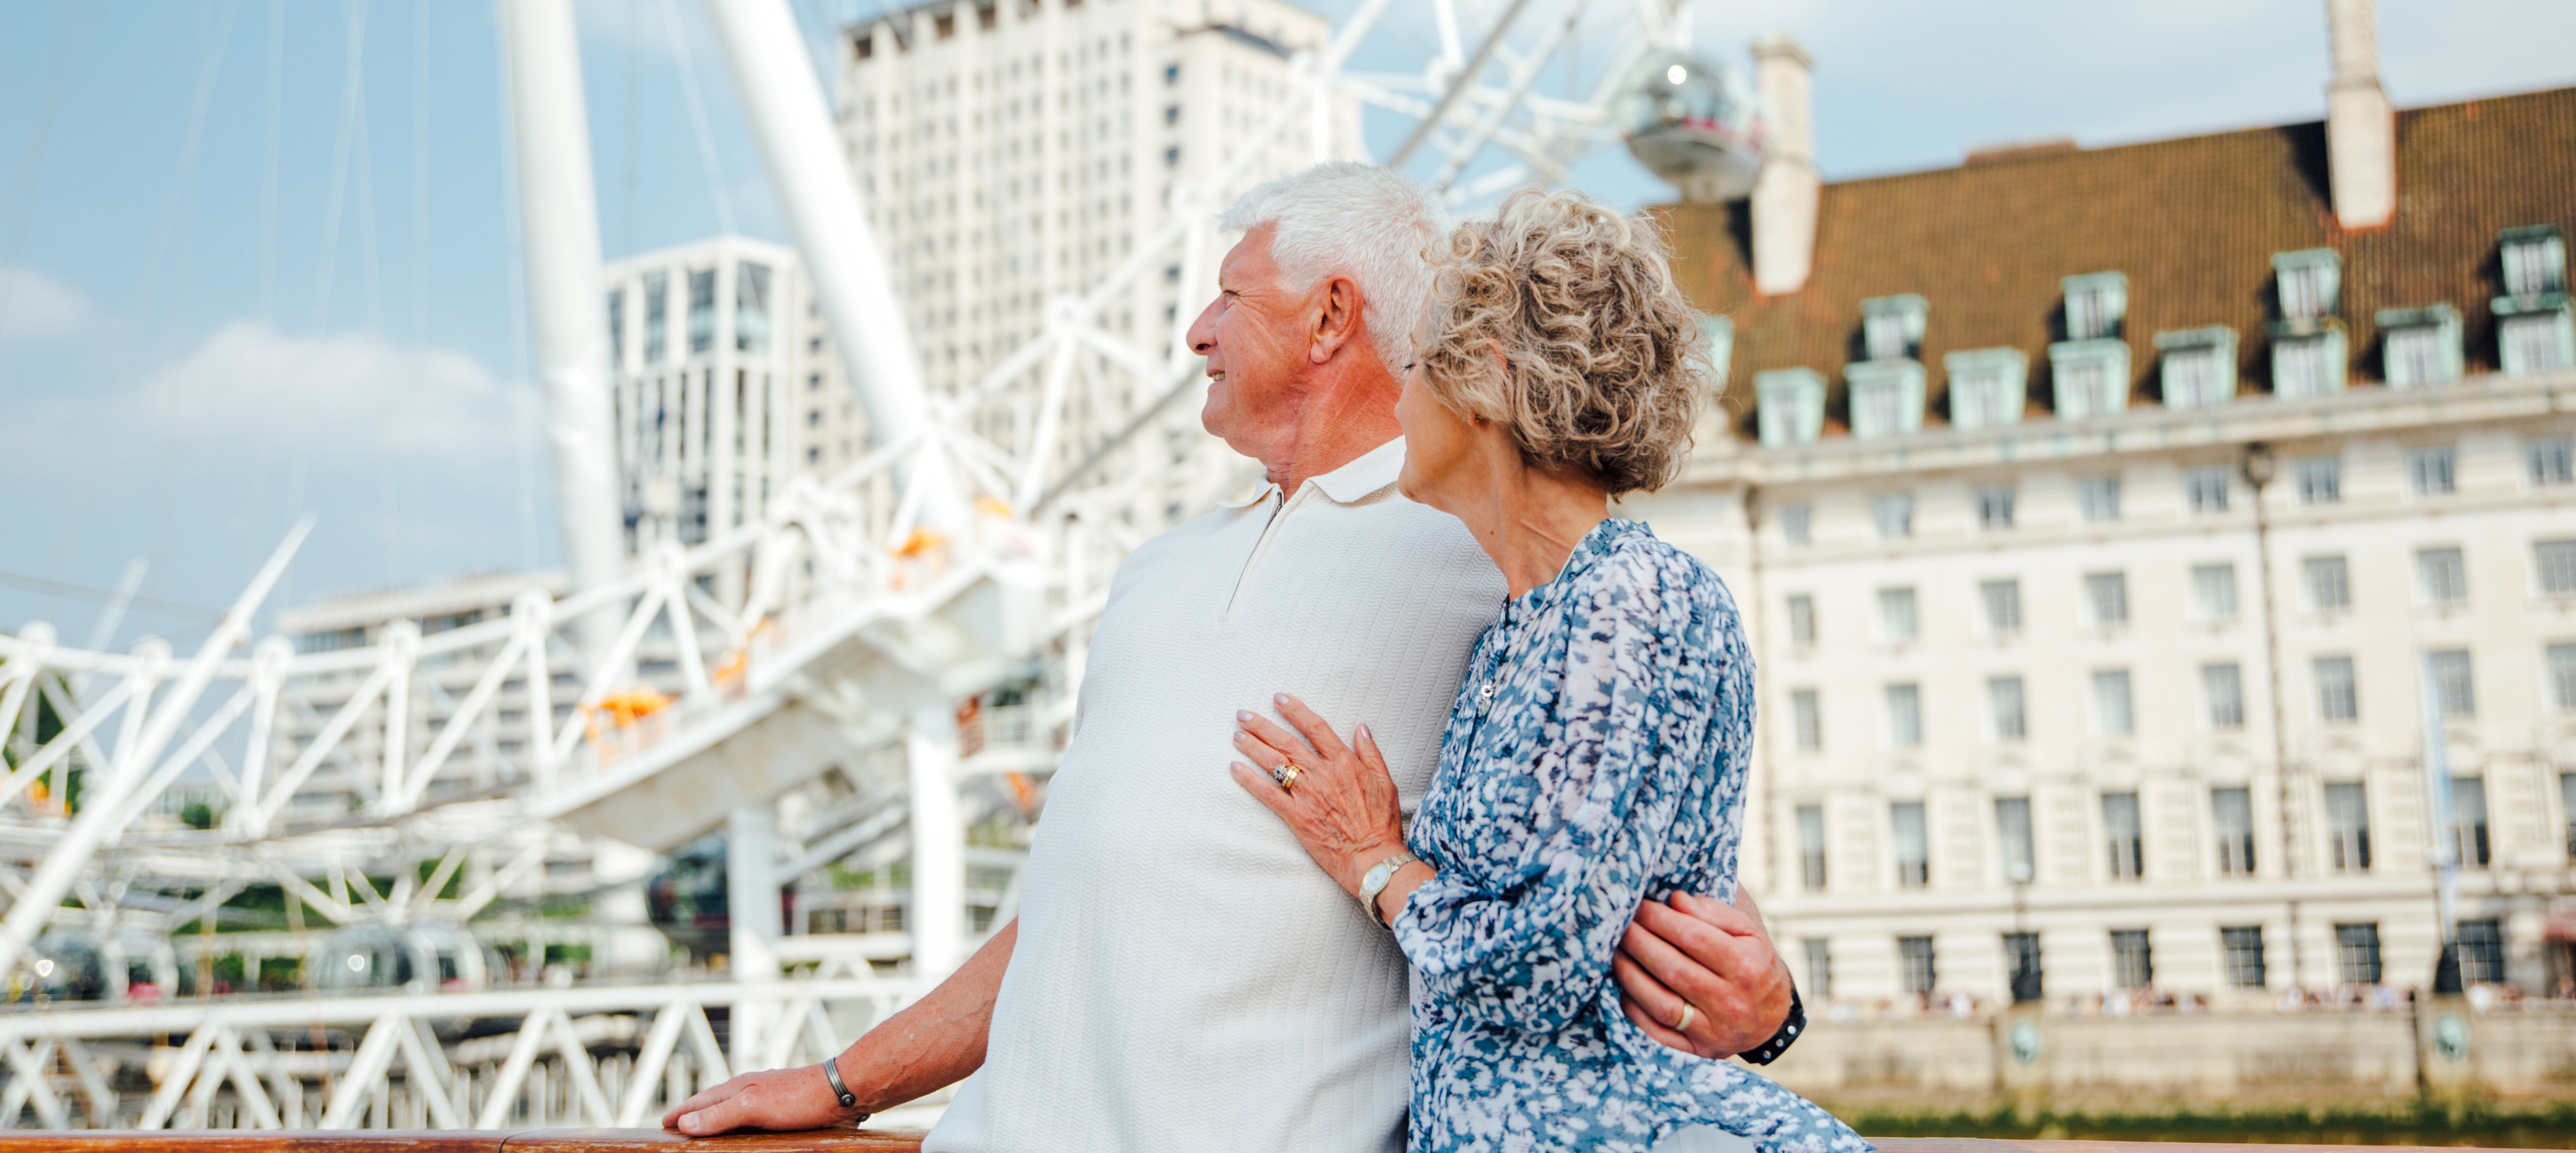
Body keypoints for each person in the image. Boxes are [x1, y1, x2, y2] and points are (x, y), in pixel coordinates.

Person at [665, 163, 1799, 1150]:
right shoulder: (1150, 573)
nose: (1196, 330)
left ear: (1327, 319)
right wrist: (842, 1080)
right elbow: (1072, 905)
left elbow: (1628, 853)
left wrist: (1773, 1004)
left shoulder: (1494, 563)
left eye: (1229, 294)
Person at [1231, 189, 1858, 1153]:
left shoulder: (1633, 601)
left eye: (1414, 371)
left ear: (1483, 377)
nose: (1399, 402)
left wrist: (1374, 860)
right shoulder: (1523, 623)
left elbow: (1543, 956)